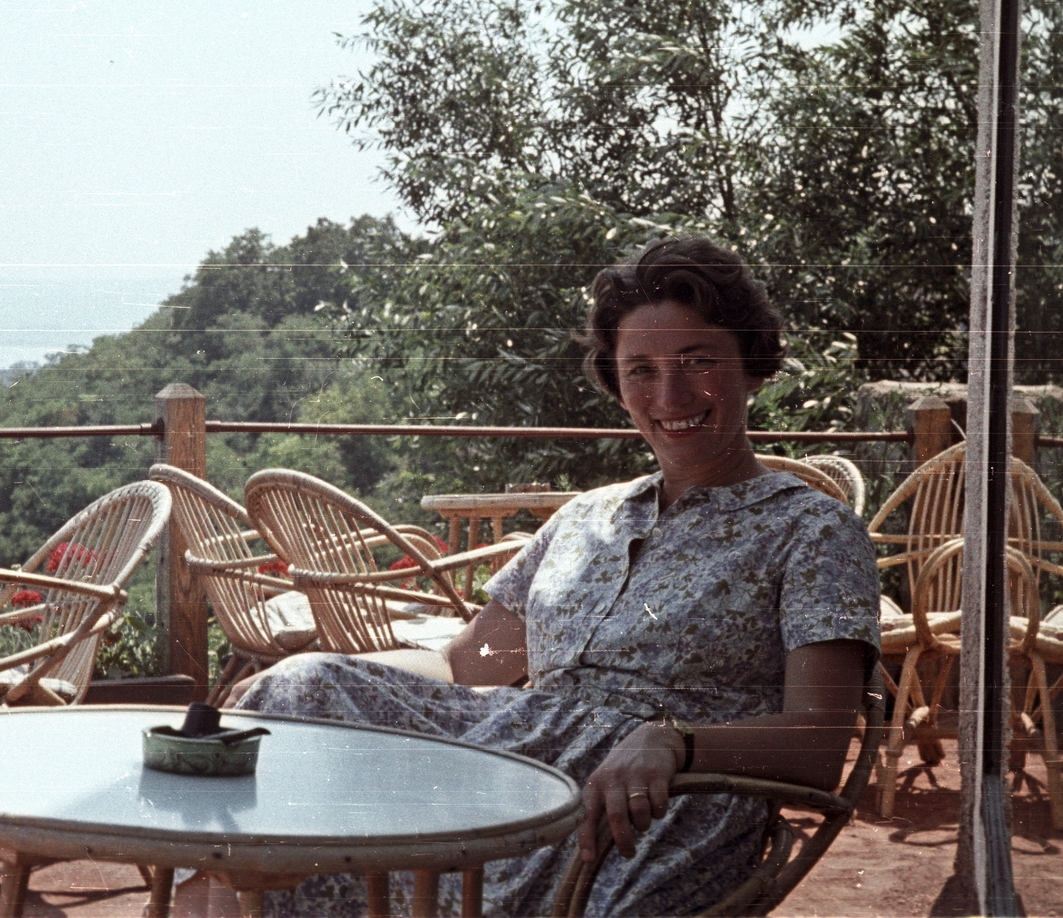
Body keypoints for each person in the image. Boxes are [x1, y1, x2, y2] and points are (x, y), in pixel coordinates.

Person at [179, 235, 880, 917]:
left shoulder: (812, 529)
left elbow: (818, 743)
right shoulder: (585, 517)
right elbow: (472, 663)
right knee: (295, 693)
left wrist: (676, 738)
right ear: (617, 384)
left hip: (658, 802)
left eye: (698, 359)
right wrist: (322, 669)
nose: (670, 391)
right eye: (640, 368)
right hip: (506, 767)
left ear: (751, 365)